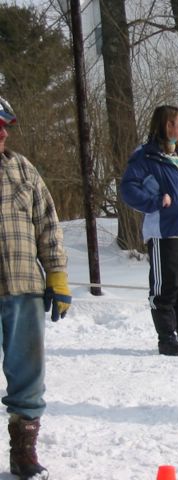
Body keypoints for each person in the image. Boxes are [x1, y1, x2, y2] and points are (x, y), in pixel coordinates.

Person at [0, 96, 71, 478]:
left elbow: (48, 224)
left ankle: (23, 451)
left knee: (27, 373)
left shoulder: (23, 169)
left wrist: (56, 274)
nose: (3, 134)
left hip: (23, 285)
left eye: (4, 127)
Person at [121, 105, 178, 356]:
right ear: (166, 125)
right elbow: (128, 189)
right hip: (165, 230)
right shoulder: (145, 156)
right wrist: (154, 202)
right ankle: (166, 338)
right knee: (165, 286)